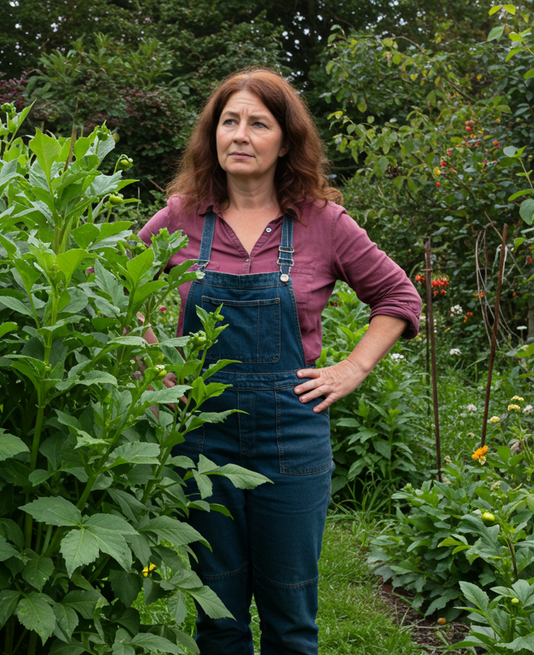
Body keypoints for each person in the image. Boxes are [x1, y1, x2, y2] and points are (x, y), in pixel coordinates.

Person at [138, 68, 421, 654]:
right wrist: (152, 368)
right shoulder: (182, 215)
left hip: (291, 438)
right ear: (213, 135)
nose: (240, 135)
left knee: (290, 616)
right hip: (200, 437)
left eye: (258, 124)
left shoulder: (323, 223)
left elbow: (398, 298)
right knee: (216, 614)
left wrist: (354, 368)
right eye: (229, 121)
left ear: (285, 141)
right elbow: (110, 287)